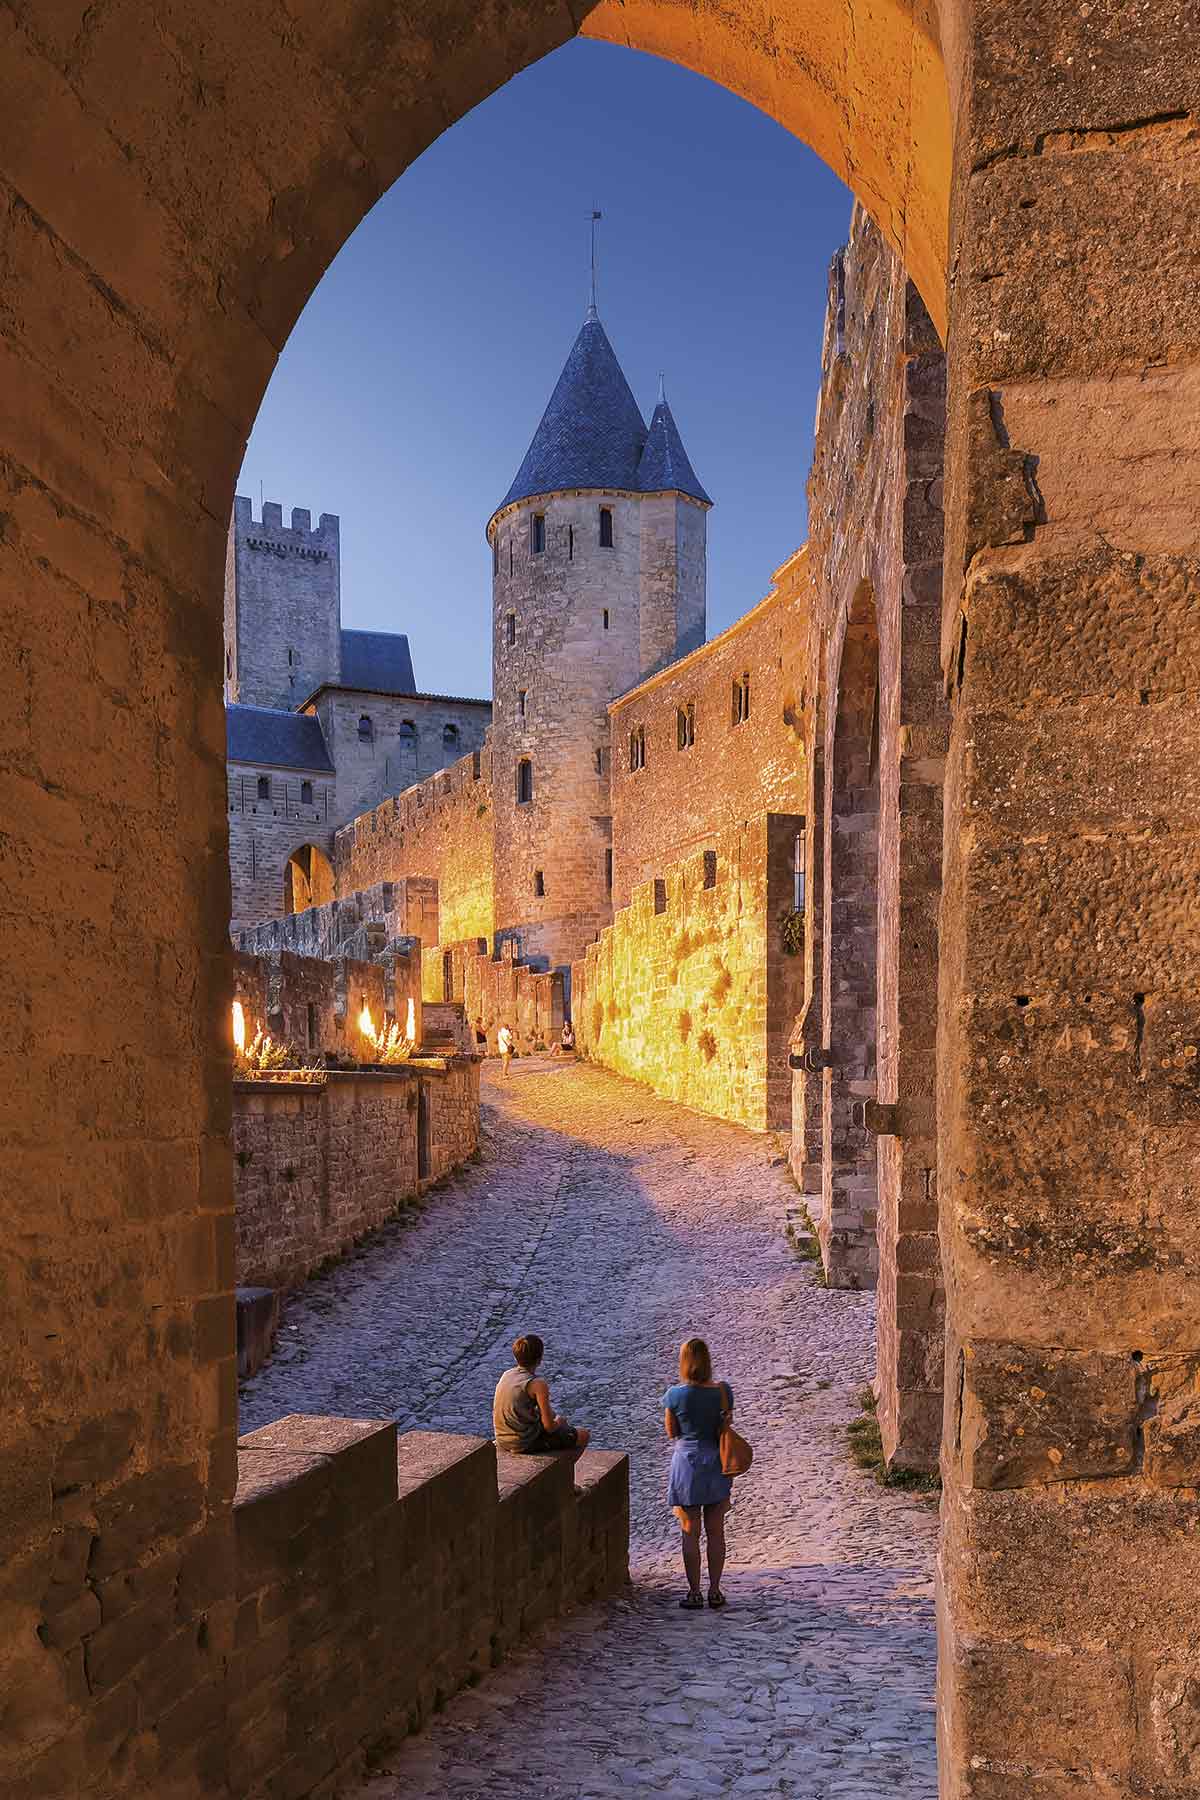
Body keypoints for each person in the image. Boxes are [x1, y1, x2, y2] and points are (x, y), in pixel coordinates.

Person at [663, 1336, 733, 1610]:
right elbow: (725, 1427)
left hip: (686, 1466)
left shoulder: (674, 1395)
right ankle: (715, 1591)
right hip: (716, 1463)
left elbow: (671, 1432)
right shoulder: (723, 1391)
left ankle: (694, 1593)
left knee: (689, 1531)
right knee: (716, 1532)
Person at [493, 1334, 590, 1459]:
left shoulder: (507, 1375)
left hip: (502, 1439)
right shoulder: (537, 1384)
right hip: (523, 1443)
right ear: (540, 1358)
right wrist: (559, 1422)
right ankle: (564, 1471)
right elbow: (549, 1427)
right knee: (583, 1435)